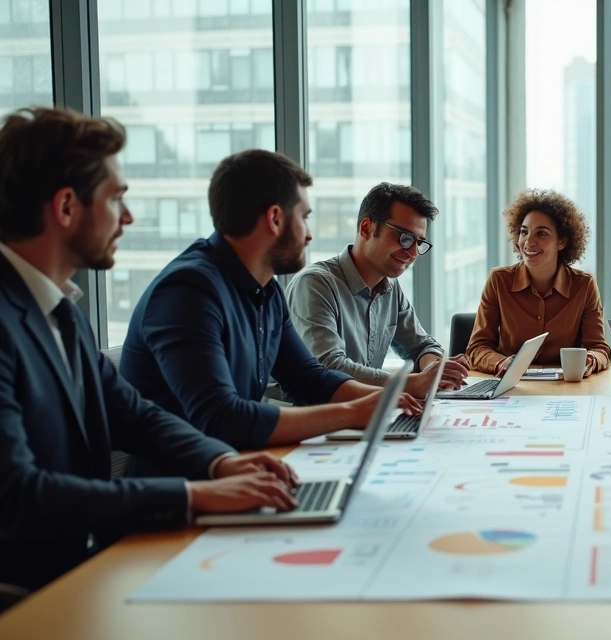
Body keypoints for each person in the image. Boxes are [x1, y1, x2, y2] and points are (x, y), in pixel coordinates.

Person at [0, 107, 299, 593]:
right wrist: (194, 495)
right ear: (66, 207)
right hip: (29, 594)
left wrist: (220, 463)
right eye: (116, 198)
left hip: (83, 568)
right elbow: (18, 497)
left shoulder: (62, 311)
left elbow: (134, 415)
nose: (129, 216)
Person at [120, 150, 423, 472]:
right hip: (184, 491)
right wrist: (351, 412)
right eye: (304, 217)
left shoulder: (265, 290)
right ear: (275, 218)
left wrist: (383, 401)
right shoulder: (188, 291)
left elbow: (308, 377)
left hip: (243, 470)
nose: (308, 234)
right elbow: (222, 417)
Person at [285, 182, 468, 389]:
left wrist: (435, 369)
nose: (413, 253)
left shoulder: (390, 287)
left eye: (418, 243)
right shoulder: (315, 284)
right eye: (404, 238)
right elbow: (329, 368)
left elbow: (423, 345)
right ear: (366, 228)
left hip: (373, 413)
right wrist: (411, 383)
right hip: (329, 417)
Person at [466, 189, 611, 376]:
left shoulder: (584, 286)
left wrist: (590, 360)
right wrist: (501, 363)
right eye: (524, 232)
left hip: (565, 387)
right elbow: (477, 348)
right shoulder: (498, 281)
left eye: (541, 234)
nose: (528, 242)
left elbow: (600, 348)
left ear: (562, 242)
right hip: (512, 388)